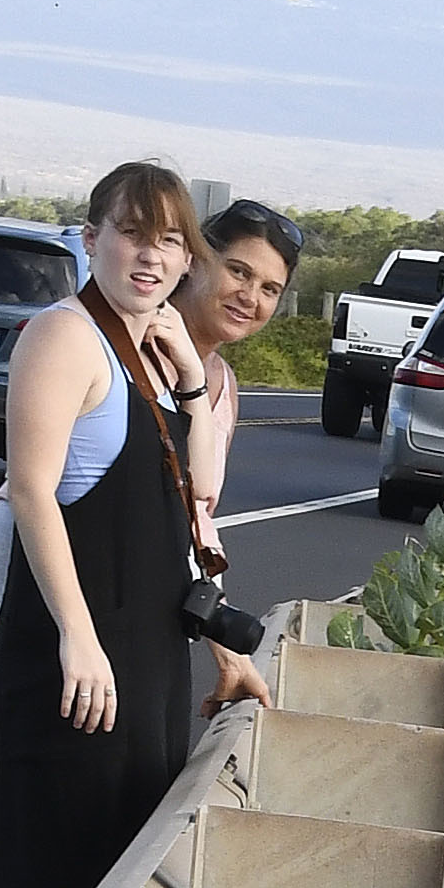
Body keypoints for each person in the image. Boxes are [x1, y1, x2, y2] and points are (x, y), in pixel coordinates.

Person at [0, 158, 251, 888]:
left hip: (147, 663)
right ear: (91, 238)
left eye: (171, 241)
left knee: (115, 880)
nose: (151, 256)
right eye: (132, 233)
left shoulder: (154, 349)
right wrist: (78, 637)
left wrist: (194, 385)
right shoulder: (65, 337)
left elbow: (198, 495)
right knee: (48, 884)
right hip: (79, 664)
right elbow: (30, 491)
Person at [180, 197, 293, 606]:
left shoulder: (224, 385)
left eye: (269, 289)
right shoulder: (133, 353)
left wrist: (220, 631)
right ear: (194, 259)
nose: (249, 296)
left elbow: (196, 522)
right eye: (238, 271)